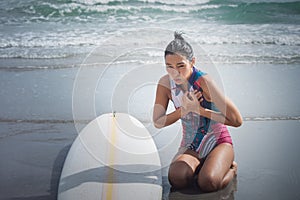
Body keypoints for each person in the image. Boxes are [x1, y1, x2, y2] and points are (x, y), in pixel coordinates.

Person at [153, 32, 243, 192]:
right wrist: (184, 110)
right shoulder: (165, 84)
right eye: (169, 67)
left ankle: (231, 169)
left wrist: (200, 110)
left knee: (208, 182)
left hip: (219, 142)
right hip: (191, 144)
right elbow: (158, 122)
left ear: (192, 62)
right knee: (177, 178)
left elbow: (237, 120)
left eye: (181, 65)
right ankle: (202, 165)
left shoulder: (204, 82)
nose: (175, 73)